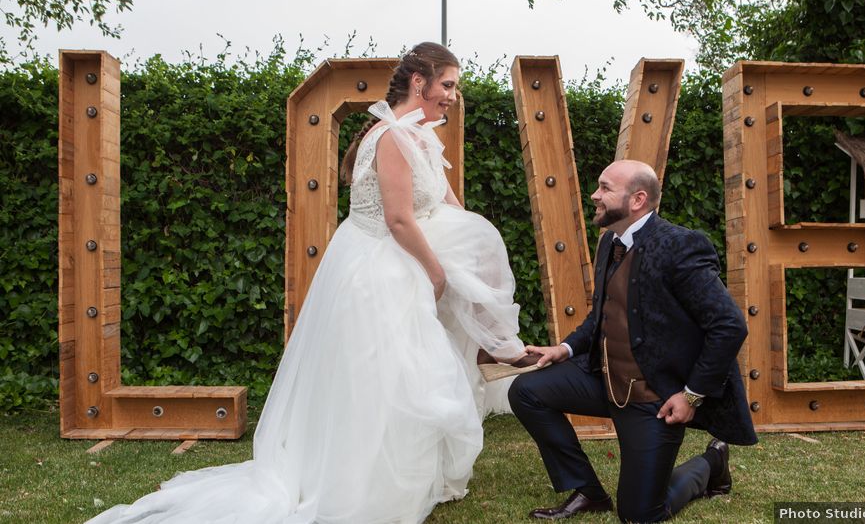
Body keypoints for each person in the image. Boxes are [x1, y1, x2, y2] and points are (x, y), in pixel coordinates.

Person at [88, 42, 541, 524]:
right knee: (380, 377)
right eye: (447, 85)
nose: (452, 95)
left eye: (455, 87)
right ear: (419, 82)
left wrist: (476, 249)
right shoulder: (391, 137)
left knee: (413, 373)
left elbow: (451, 207)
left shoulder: (424, 138)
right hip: (377, 269)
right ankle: (360, 483)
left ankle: (491, 360)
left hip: (403, 261)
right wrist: (438, 273)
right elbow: (399, 221)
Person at [508, 160, 758, 522]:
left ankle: (711, 463)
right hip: (604, 380)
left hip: (654, 400)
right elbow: (603, 315)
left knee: (640, 515)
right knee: (526, 391)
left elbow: (729, 325)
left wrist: (691, 395)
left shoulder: (680, 245)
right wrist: (564, 348)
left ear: (638, 199)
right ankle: (588, 491)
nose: (595, 195)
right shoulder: (611, 241)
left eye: (605, 188)